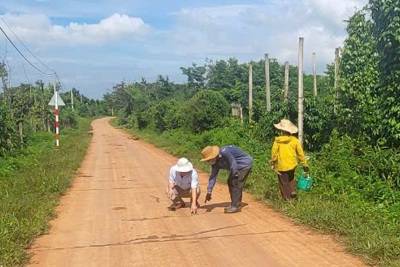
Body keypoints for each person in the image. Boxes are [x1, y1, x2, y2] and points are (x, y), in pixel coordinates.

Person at [200, 145, 253, 213]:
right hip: (236, 166)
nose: (208, 162)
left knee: (236, 183)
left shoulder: (224, 153)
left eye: (208, 160)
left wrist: (235, 175)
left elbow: (233, 163)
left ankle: (236, 206)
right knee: (230, 182)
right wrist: (209, 191)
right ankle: (233, 204)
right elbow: (213, 176)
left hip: (244, 164)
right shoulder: (215, 163)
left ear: (213, 156)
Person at [269, 119, 309, 200]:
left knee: (283, 183)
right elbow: (300, 154)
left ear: (281, 130)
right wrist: (305, 165)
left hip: (281, 166)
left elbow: (274, 154)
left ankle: (287, 199)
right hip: (292, 165)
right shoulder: (294, 140)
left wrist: (272, 163)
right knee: (290, 178)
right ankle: (292, 191)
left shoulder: (278, 141)